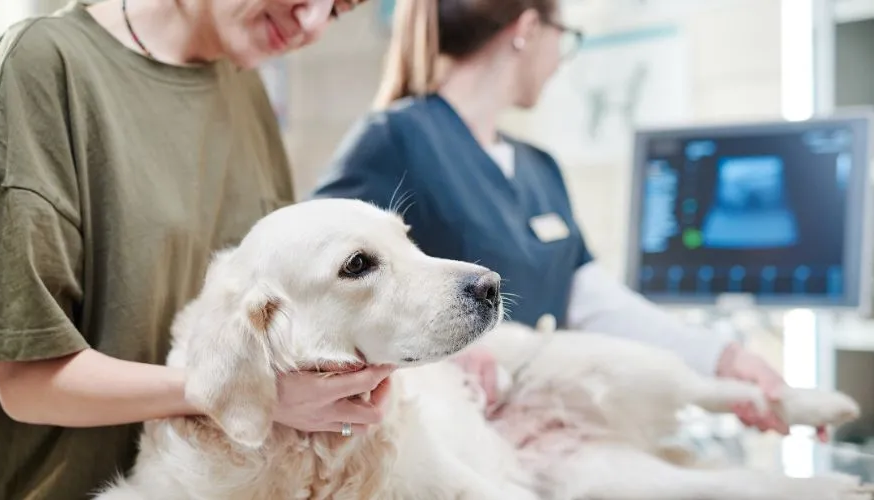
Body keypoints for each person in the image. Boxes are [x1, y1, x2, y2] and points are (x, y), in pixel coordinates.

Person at [311, 0, 814, 440]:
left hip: (544, 436)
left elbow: (593, 300)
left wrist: (724, 359)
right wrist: (441, 361)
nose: (558, 61)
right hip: (449, 444)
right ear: (528, 29)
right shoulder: (393, 139)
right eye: (563, 38)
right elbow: (315, 297)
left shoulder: (538, 167)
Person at [0, 0, 391, 498]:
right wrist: (233, 391)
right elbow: (27, 381)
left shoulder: (245, 90)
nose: (311, 24)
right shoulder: (43, 66)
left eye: (336, 11)